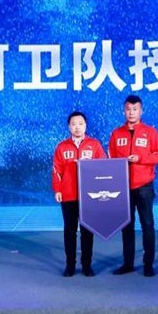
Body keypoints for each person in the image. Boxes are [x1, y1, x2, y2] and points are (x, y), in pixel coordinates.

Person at [108, 95, 158, 277]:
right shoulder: (116, 134)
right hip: (123, 187)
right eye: (128, 109)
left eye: (135, 109)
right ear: (123, 111)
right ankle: (128, 263)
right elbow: (111, 159)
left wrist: (140, 158)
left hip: (144, 186)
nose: (131, 112)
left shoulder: (150, 132)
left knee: (147, 225)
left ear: (141, 111)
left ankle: (148, 264)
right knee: (127, 226)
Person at [52, 111, 106, 277]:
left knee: (87, 231)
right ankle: (70, 265)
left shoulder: (94, 145)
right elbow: (56, 170)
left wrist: (89, 165)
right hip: (68, 195)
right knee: (69, 230)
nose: (77, 127)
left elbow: (104, 167)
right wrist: (58, 189)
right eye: (74, 124)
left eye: (81, 124)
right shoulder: (62, 147)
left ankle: (86, 265)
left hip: (89, 195)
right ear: (69, 126)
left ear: (86, 126)